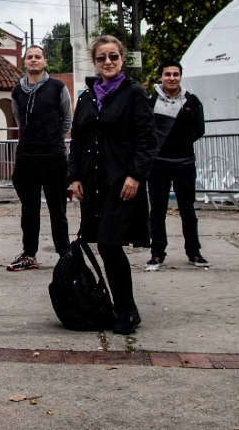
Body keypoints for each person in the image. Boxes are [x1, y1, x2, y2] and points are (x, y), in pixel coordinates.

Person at [68, 35, 158, 336]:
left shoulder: (134, 94)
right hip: (93, 182)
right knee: (102, 243)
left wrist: (135, 175)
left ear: (122, 60)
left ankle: (128, 309)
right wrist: (74, 177)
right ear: (94, 62)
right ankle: (117, 305)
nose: (108, 62)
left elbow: (147, 141)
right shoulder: (87, 96)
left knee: (109, 243)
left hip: (121, 182)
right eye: (102, 57)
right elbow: (78, 141)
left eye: (113, 57)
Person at [7, 45, 72, 271]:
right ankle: (29, 254)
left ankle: (65, 254)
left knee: (58, 207)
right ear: (25, 62)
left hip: (53, 155)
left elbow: (66, 119)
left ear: (45, 61)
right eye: (30, 57)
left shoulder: (57, 87)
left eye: (38, 57)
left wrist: (53, 139)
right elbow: (18, 119)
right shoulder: (17, 91)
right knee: (29, 208)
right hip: (27, 156)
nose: (34, 60)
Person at [144, 61, 208, 271]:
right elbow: (144, 128)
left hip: (185, 163)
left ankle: (194, 252)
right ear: (160, 77)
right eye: (168, 74)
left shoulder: (192, 100)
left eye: (176, 74)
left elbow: (199, 128)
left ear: (180, 76)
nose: (172, 78)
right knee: (157, 211)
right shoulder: (151, 101)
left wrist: (182, 142)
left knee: (188, 211)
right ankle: (157, 253)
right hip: (158, 164)